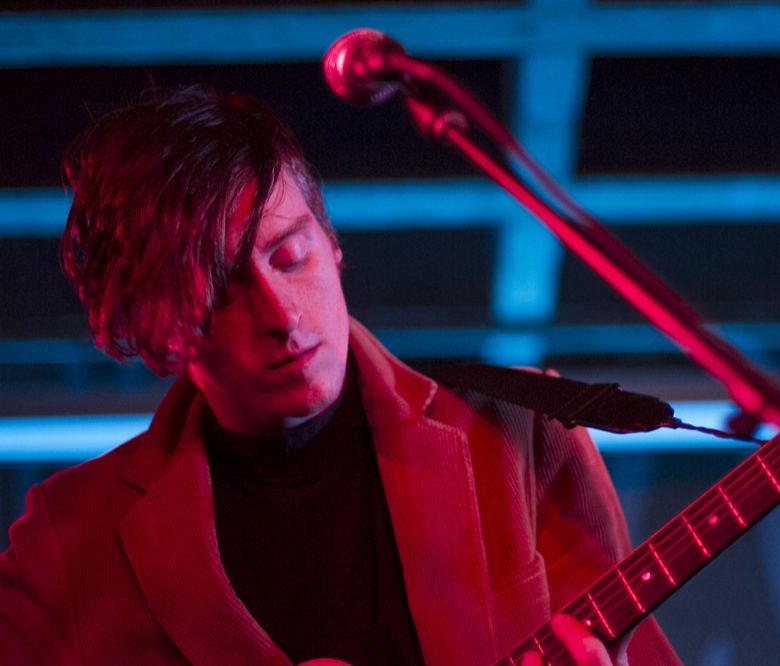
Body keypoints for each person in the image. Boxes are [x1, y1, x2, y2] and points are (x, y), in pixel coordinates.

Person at [0, 85, 682, 665]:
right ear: (160, 322)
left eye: (290, 255)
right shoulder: (66, 541)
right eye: (225, 288)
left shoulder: (521, 429)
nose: (281, 314)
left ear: (331, 243)